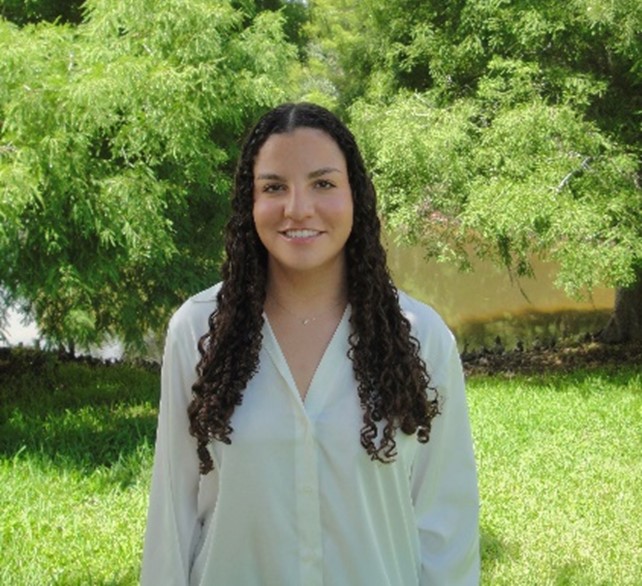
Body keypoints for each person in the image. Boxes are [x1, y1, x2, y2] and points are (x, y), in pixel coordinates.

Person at [141, 102, 480, 585]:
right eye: (274, 187)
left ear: (355, 196)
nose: (298, 208)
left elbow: (447, 525)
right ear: (248, 203)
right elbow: (172, 515)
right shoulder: (198, 332)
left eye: (322, 183)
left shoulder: (421, 338)